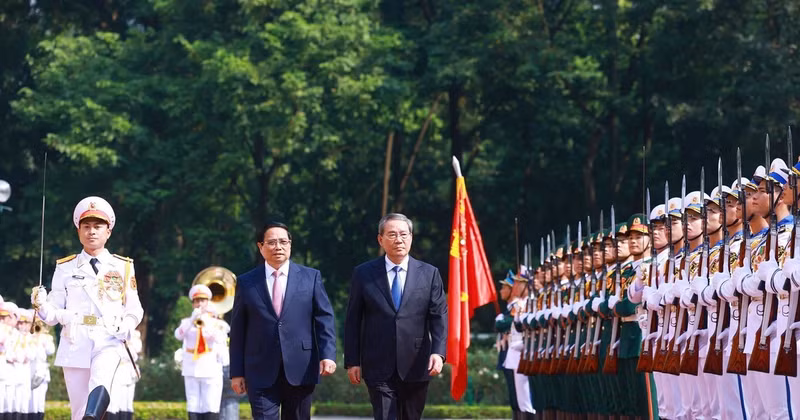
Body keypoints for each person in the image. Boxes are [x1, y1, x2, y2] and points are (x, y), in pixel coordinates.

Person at [30, 196, 144, 420]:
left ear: (108, 231)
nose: (92, 231)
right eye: (86, 226)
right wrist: (41, 305)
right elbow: (53, 313)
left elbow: (134, 307)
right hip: (75, 339)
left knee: (99, 391)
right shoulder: (65, 267)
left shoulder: (123, 266)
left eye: (98, 226)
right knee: (79, 410)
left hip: (108, 337)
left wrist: (128, 324)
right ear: (79, 231)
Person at [344, 213, 447, 420]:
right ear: (380, 239)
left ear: (411, 237)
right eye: (392, 234)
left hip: (416, 363)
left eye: (403, 234)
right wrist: (352, 360)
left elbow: (439, 316)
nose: (398, 240)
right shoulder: (364, 274)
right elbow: (353, 320)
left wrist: (438, 352)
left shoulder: (429, 273)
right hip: (377, 363)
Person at [229, 222, 337, 420]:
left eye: (283, 242)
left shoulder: (310, 277)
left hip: (301, 368)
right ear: (260, 247)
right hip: (259, 369)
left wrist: (328, 354)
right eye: (271, 242)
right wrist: (237, 372)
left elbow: (324, 318)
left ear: (290, 244)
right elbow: (238, 330)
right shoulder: (246, 282)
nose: (278, 247)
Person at [176, 284, 228, 420]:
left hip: (210, 367)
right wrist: (193, 319)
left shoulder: (217, 323)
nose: (200, 304)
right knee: (193, 404)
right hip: (191, 367)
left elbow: (221, 338)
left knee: (210, 403)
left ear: (208, 302)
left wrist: (208, 324)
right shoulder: (186, 322)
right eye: (197, 301)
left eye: (203, 300)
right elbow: (178, 335)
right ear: (193, 304)